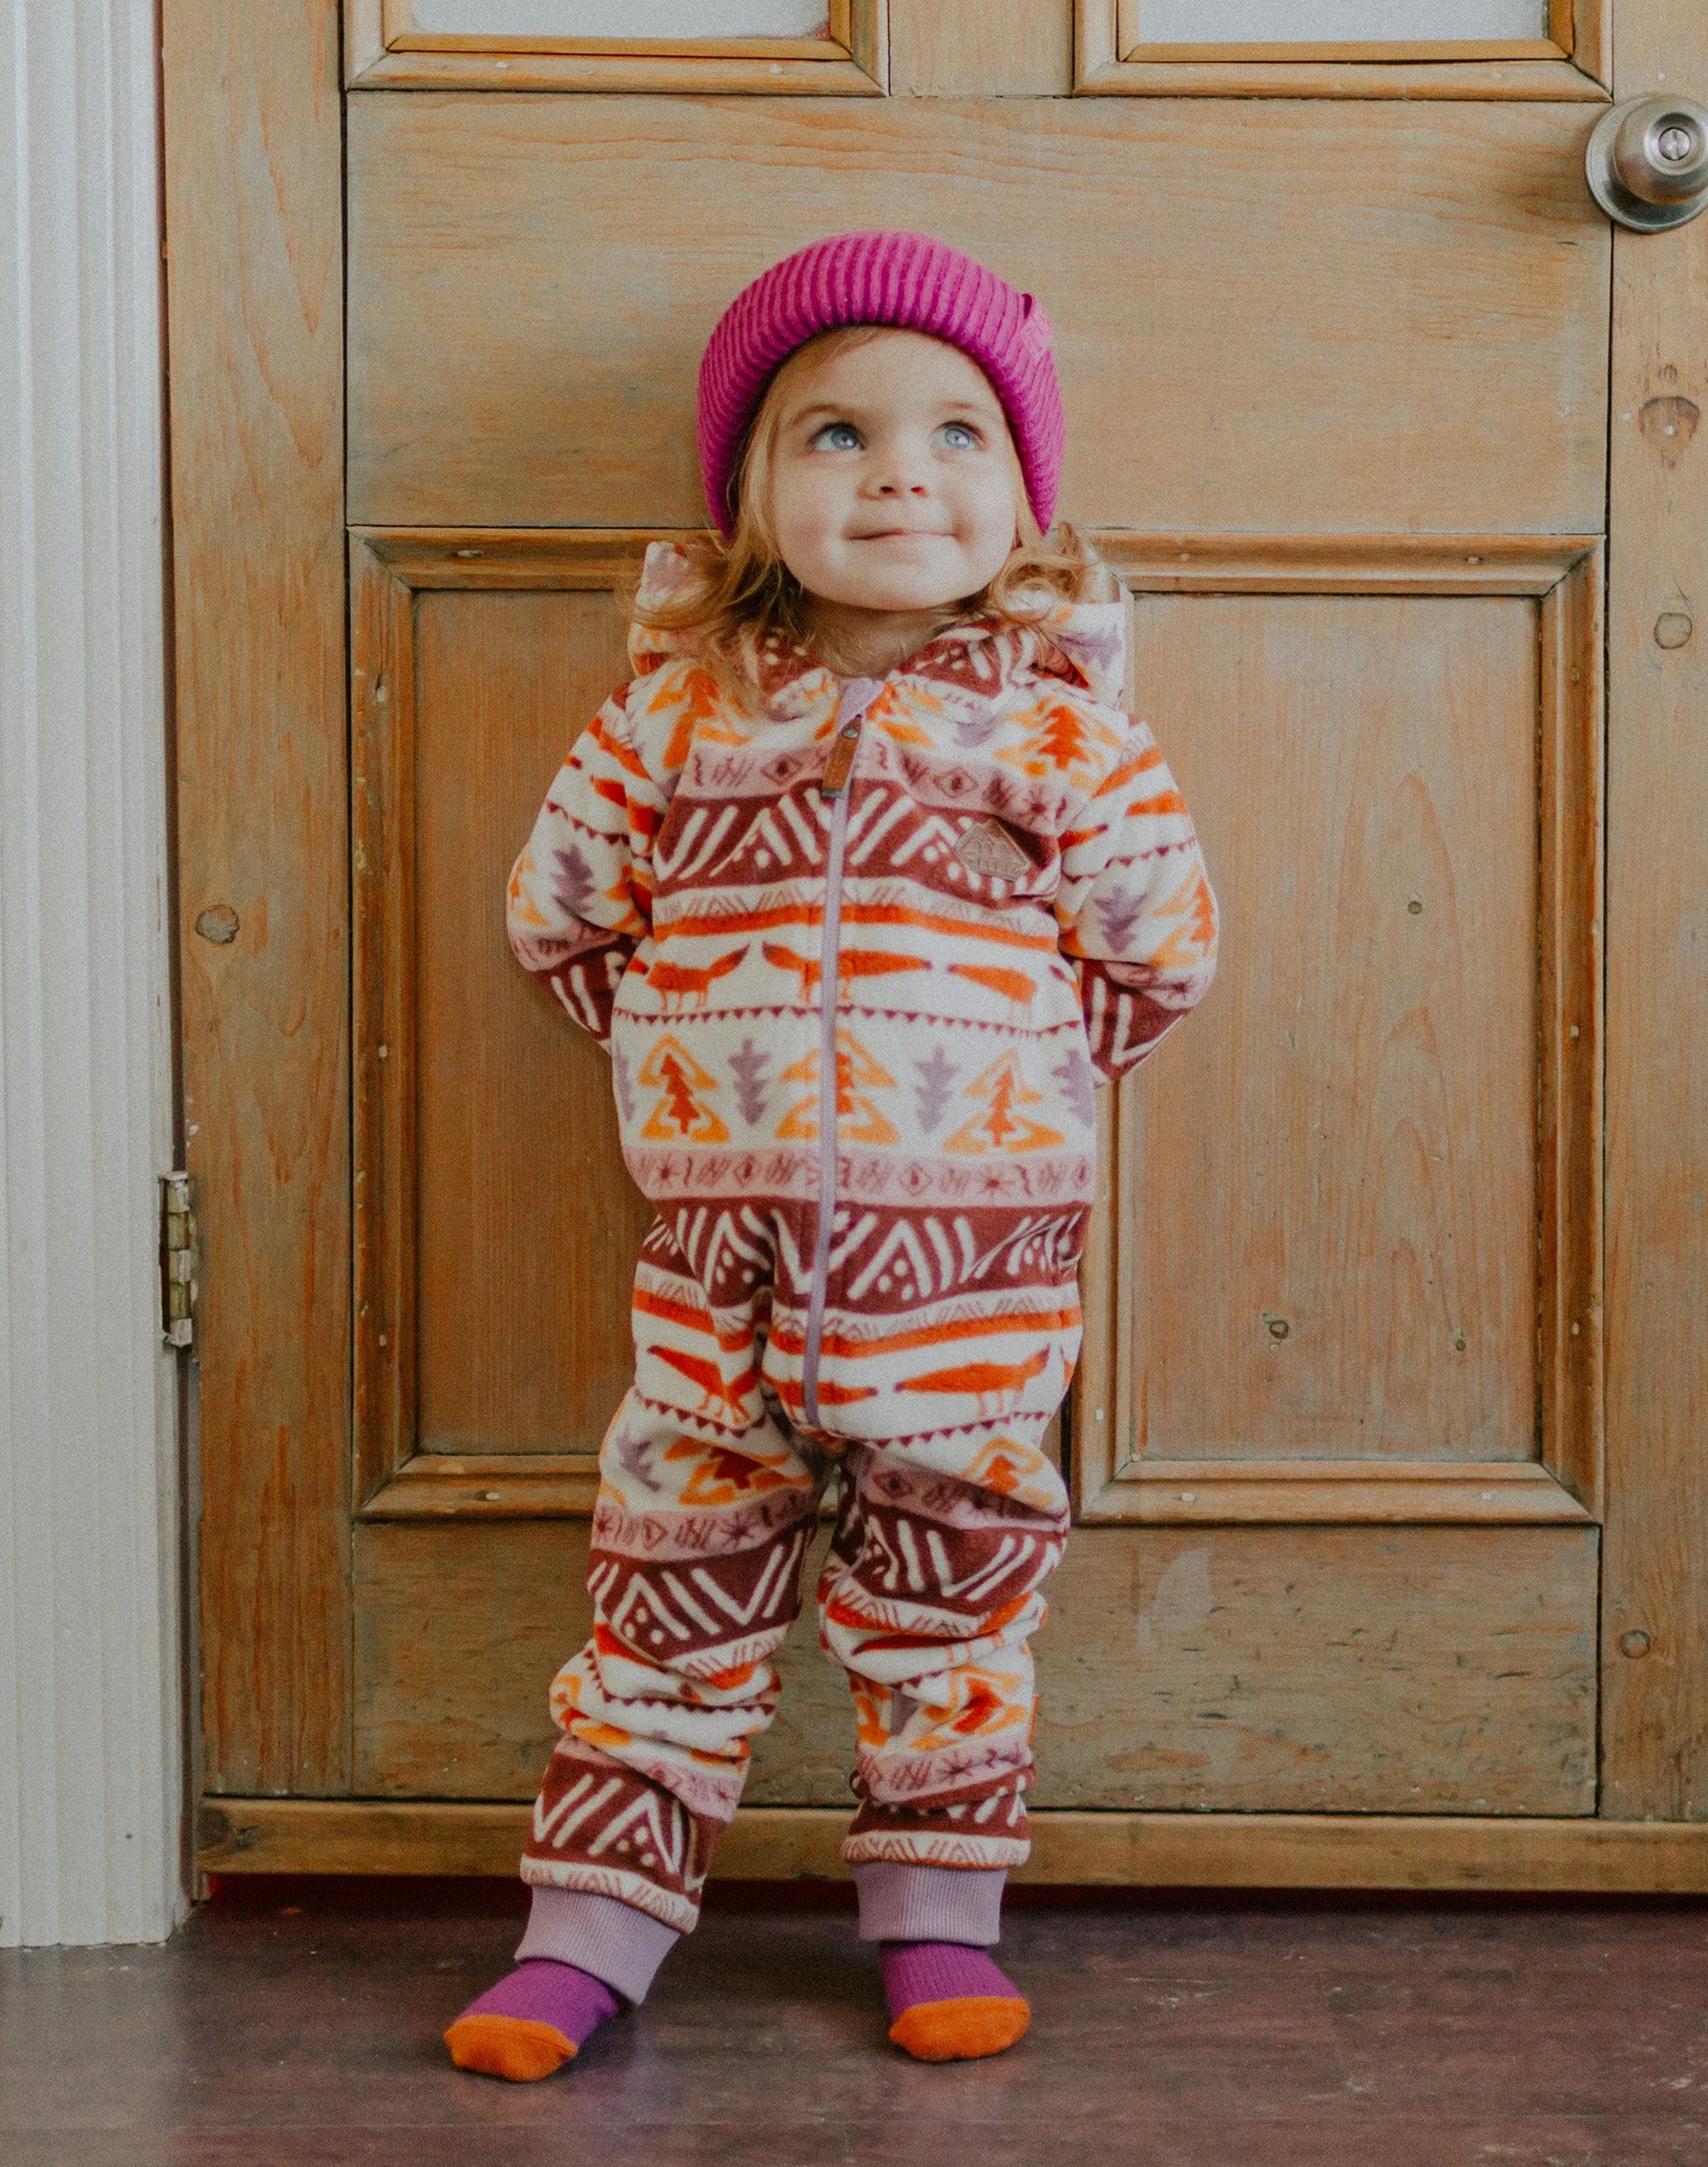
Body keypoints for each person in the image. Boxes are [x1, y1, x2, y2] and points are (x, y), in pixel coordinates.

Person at [446, 231, 1217, 2081]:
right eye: (835, 435)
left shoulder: (1060, 732)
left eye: (957, 433)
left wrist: (1005, 1082)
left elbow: (1159, 952)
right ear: (745, 494)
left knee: (948, 1600)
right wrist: (692, 1074)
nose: (897, 473)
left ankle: (935, 1917)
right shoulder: (675, 716)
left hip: (970, 1289)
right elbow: (560, 919)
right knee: (662, 1585)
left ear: (1021, 492)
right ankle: (588, 1932)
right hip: (709, 1282)